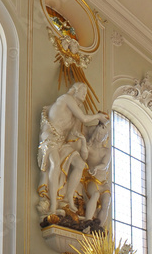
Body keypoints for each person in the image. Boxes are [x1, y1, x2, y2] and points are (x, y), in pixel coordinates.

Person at [37, 82, 108, 214]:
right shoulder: (66, 99)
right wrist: (98, 116)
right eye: (83, 92)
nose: (85, 95)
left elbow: (85, 128)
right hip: (50, 140)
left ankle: (69, 197)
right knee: (55, 163)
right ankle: (53, 205)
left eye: (87, 93)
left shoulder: (74, 112)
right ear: (75, 90)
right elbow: (84, 118)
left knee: (80, 164)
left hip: (61, 143)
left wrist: (100, 126)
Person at [82, 115, 111, 225]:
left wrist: (96, 167)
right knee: (95, 195)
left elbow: (104, 164)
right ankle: (88, 222)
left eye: (103, 135)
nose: (100, 137)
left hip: (103, 182)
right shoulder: (89, 148)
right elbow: (83, 156)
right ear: (95, 133)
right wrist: (82, 141)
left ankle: (99, 228)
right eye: (99, 134)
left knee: (106, 200)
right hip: (92, 180)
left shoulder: (106, 151)